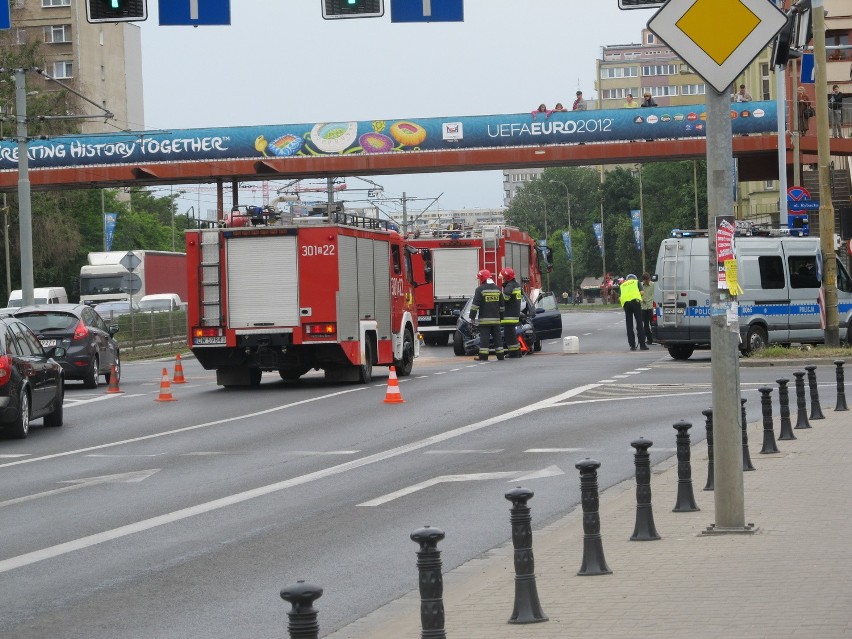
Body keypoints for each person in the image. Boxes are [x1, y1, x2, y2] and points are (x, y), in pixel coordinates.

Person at [469, 269, 505, 361]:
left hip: (485, 320)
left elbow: (475, 305)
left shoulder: (480, 289)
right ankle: (500, 356)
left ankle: (483, 357)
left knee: (484, 338)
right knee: (498, 337)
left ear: (482, 278)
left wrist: (472, 318)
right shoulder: (498, 289)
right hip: (496, 320)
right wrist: (501, 317)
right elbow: (502, 306)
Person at [619, 273, 647, 351]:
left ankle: (632, 346)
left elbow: (620, 297)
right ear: (634, 278)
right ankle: (642, 345)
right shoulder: (636, 282)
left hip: (626, 305)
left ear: (627, 279)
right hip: (635, 303)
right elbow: (642, 292)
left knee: (629, 325)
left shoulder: (622, 285)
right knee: (639, 323)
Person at [500, 267, 523, 358]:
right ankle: (517, 351)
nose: (503, 279)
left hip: (508, 315)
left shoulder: (509, 286)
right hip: (514, 314)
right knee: (512, 334)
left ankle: (514, 353)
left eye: (504, 277)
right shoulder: (516, 285)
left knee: (509, 335)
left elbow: (505, 298)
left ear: (507, 277)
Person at [640, 272, 655, 345]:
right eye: (645, 280)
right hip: (643, 307)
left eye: (648, 280)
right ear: (643, 280)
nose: (647, 281)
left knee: (653, 323)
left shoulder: (653, 285)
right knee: (645, 325)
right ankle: (649, 339)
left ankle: (654, 338)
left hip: (651, 306)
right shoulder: (640, 285)